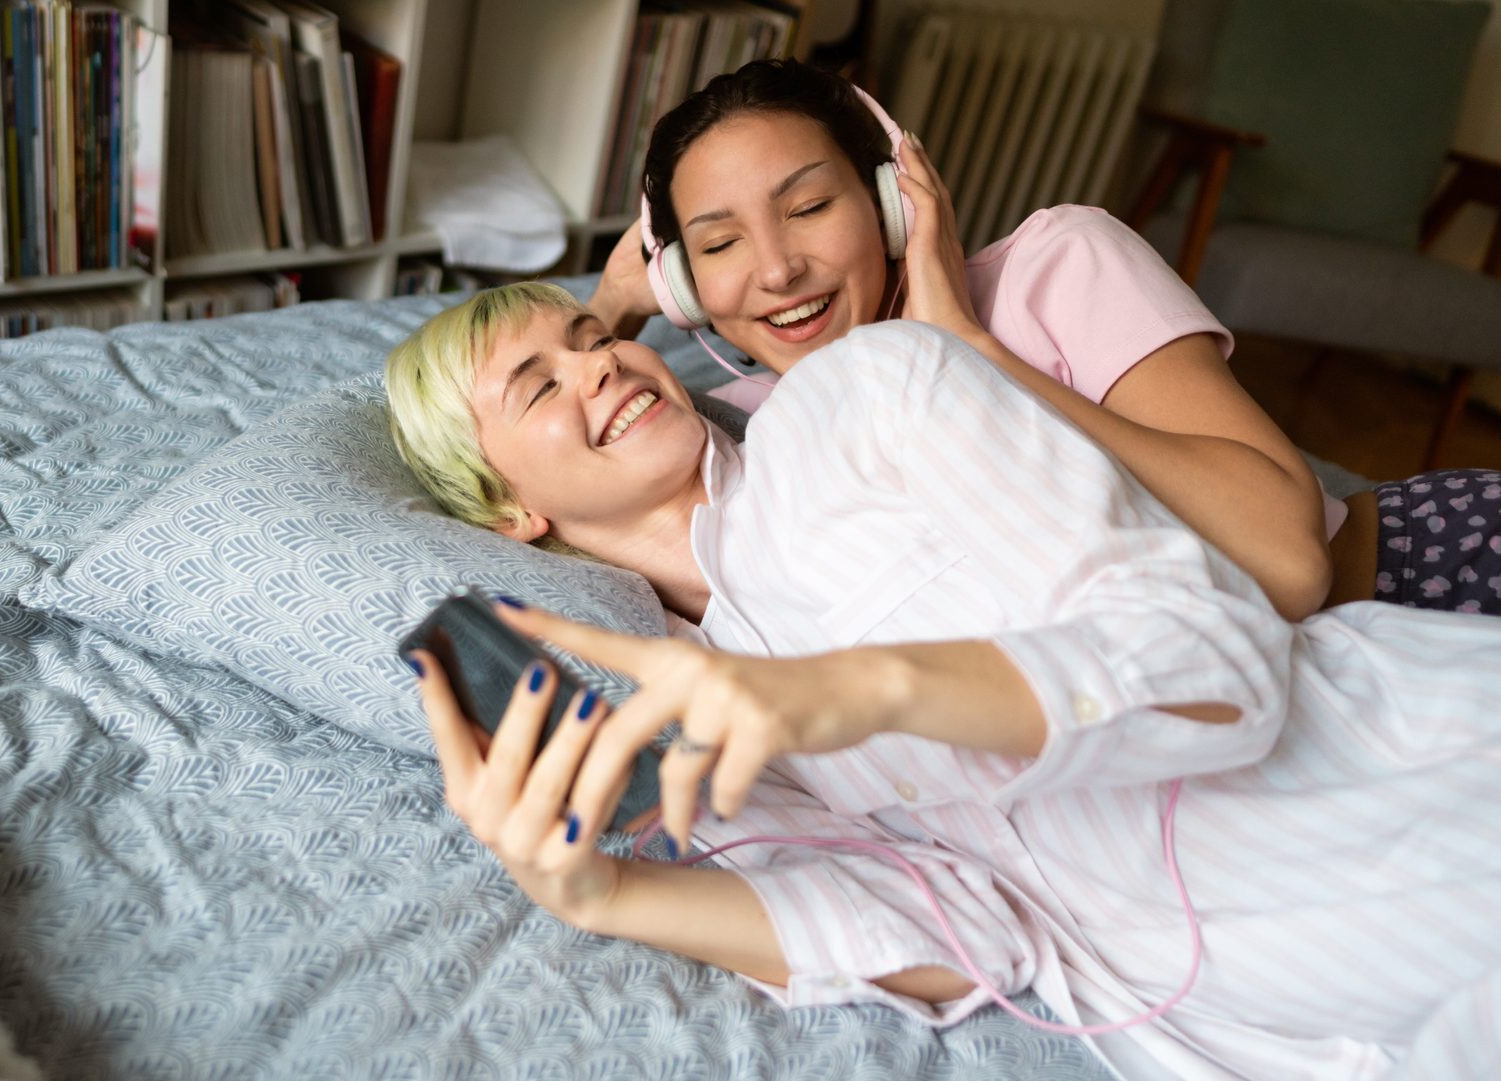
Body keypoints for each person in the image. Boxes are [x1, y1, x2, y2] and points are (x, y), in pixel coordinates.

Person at [384, 281, 1501, 1080]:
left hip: (1405, 790)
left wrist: (861, 690)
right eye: (538, 385)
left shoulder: (863, 402)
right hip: (1262, 1026)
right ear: (506, 511)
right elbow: (968, 939)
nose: (599, 363)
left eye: (590, 334)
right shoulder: (697, 714)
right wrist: (605, 896)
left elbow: (1219, 649)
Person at [585, 58, 1501, 618]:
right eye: (718, 245)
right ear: (686, 287)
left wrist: (968, 354)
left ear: (891, 202)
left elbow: (1289, 566)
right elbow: (498, 425)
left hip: (1420, 577)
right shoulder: (760, 430)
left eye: (811, 206)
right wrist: (615, 303)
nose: (777, 269)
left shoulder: (1057, 265)